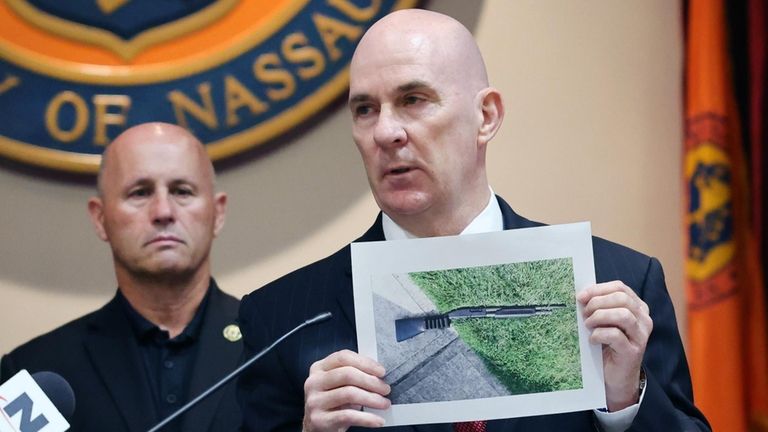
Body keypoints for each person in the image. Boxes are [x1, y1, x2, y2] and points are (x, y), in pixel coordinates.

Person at [236, 9, 709, 432]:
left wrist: (623, 401)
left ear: (486, 116)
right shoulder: (283, 319)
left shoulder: (619, 281)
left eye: (414, 99)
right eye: (365, 109)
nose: (385, 131)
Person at [0, 123, 242, 432]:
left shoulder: (274, 348)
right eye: (140, 193)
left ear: (218, 213)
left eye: (182, 191)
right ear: (100, 219)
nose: (163, 211)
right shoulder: (34, 371)